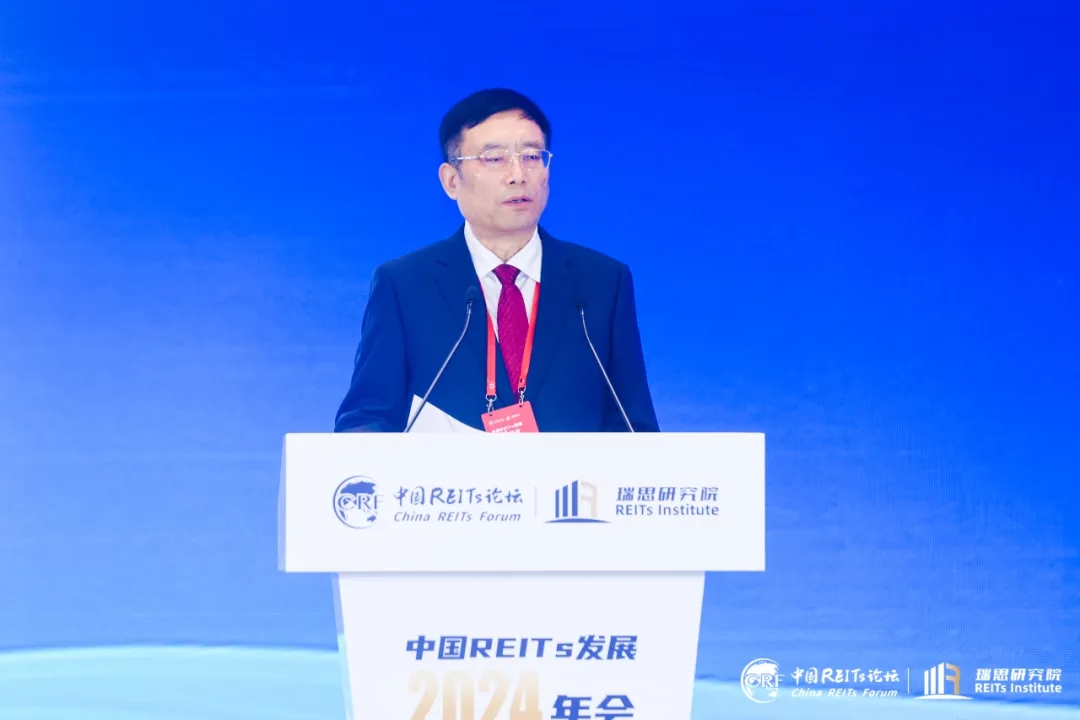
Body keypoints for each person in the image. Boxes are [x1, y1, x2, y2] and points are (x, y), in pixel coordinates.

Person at [334, 88, 659, 433]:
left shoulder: (601, 283)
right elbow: (366, 419)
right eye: (494, 159)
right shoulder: (405, 284)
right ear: (451, 181)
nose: (518, 174)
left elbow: (633, 427)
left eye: (532, 156)